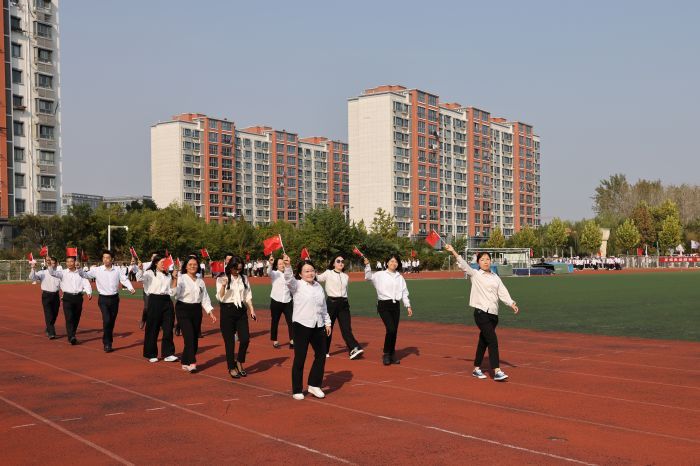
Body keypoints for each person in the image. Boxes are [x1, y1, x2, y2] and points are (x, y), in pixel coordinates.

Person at [445, 244, 519, 381]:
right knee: (492, 340)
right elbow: (463, 265)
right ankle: (497, 371)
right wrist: (453, 251)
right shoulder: (475, 274)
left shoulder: (495, 277)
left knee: (483, 342)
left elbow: (502, 292)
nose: (485, 262)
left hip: (493, 314)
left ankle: (476, 369)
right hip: (481, 313)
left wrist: (511, 303)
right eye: (482, 259)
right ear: (478, 262)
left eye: (487, 259)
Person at [283, 254, 331, 400]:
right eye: (306, 271)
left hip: (318, 325)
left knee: (321, 355)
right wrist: (287, 266)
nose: (310, 273)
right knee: (300, 357)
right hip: (301, 325)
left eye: (312, 270)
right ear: (300, 274)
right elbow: (288, 279)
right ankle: (297, 389)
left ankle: (314, 385)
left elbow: (323, 306)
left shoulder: (318, 286)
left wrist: (327, 322)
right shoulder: (296, 285)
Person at [79, 249, 136, 352]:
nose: (105, 260)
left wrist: (130, 287)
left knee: (111, 322)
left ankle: (108, 340)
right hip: (103, 299)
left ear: (112, 259)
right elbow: (85, 275)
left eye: (108, 258)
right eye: (104, 258)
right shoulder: (97, 270)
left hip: (114, 299)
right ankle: (107, 343)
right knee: (107, 320)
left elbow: (124, 279)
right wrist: (79, 269)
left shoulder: (117, 270)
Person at [364, 254, 413, 365]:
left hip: (395, 306)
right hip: (383, 305)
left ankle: (392, 354)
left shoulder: (400, 277)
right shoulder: (380, 274)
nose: (393, 263)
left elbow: (404, 292)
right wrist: (367, 265)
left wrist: (408, 305)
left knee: (394, 331)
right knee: (390, 329)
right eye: (391, 261)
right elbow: (368, 277)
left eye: (395, 262)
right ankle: (386, 354)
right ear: (387, 263)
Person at [317, 255, 363, 360]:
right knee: (328, 327)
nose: (341, 263)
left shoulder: (345, 276)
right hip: (331, 304)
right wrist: (311, 269)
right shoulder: (328, 273)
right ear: (333, 263)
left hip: (344, 304)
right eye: (338, 261)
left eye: (342, 261)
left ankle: (354, 348)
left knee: (347, 329)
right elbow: (318, 278)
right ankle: (324, 351)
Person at [175, 255, 217, 373]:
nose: (192, 266)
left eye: (195, 265)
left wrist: (210, 312)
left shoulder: (200, 281)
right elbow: (174, 293)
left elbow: (204, 297)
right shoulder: (181, 279)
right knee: (189, 336)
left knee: (194, 338)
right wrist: (174, 281)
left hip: (196, 310)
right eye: (190, 265)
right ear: (186, 267)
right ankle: (192, 362)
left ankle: (185, 360)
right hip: (183, 308)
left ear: (198, 266)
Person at [217, 256, 256, 379]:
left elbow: (247, 295)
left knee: (245, 339)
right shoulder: (222, 278)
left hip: (241, 311)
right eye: (235, 269)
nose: (237, 271)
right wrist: (223, 286)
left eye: (239, 269)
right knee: (230, 343)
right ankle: (231, 367)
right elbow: (220, 297)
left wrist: (252, 309)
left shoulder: (244, 278)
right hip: (227, 310)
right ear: (230, 267)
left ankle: (239, 361)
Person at [136, 255, 178, 363]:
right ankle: (151, 354)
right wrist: (140, 269)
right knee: (152, 328)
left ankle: (168, 353)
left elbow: (173, 292)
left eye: (165, 263)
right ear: (156, 263)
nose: (164, 265)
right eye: (162, 262)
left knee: (168, 328)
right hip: (154, 301)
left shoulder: (168, 275)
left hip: (167, 301)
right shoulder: (149, 273)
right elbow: (139, 278)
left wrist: (175, 278)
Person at [48, 254, 92, 345]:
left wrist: (89, 292)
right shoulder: (63, 273)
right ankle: (71, 336)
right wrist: (49, 264)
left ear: (75, 262)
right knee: (69, 317)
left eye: (71, 261)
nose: (69, 263)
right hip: (67, 298)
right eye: (67, 262)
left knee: (76, 317)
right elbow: (52, 273)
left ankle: (72, 334)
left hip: (78, 297)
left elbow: (86, 282)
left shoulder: (80, 273)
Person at [29, 256, 62, 339]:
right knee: (48, 314)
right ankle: (51, 332)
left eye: (53, 263)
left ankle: (48, 328)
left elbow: (64, 284)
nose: (51, 264)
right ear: (47, 263)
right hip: (46, 295)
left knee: (54, 314)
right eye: (50, 263)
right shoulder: (42, 272)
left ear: (56, 264)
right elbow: (32, 278)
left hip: (56, 295)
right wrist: (33, 268)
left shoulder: (59, 273)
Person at [267, 254, 294, 349]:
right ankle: (275, 340)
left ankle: (292, 340)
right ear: (276, 266)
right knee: (275, 321)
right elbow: (269, 272)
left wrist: (288, 263)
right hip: (276, 301)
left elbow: (291, 277)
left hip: (287, 301)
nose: (282, 265)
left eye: (283, 263)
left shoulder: (288, 273)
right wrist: (270, 264)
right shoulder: (275, 274)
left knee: (291, 321)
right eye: (280, 264)